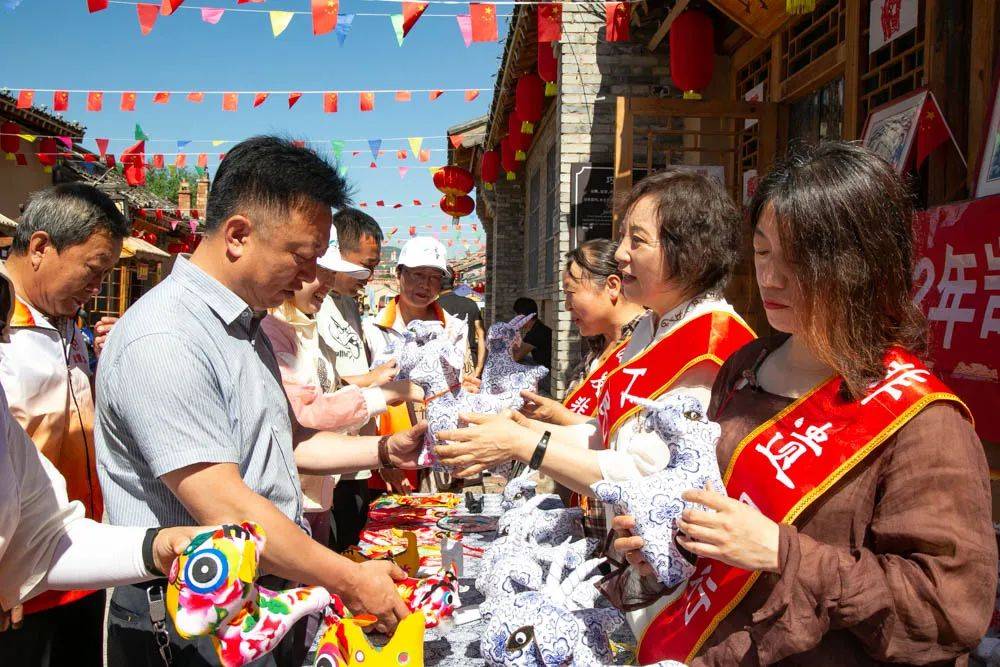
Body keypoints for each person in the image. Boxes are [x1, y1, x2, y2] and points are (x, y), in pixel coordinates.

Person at [611, 142, 996, 664]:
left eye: (797, 260)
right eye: (763, 251)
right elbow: (719, 522)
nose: (770, 278)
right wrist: (668, 543)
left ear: (861, 263)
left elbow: (949, 609)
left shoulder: (923, 422)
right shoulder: (745, 367)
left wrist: (781, 552)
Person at [95, 136, 427, 665]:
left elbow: (286, 445)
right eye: (301, 257)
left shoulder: (248, 327)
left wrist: (387, 452)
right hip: (191, 615)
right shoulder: (166, 338)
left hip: (262, 597)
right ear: (238, 235)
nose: (310, 277)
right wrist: (349, 579)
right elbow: (226, 506)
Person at [436, 170, 754, 552]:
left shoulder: (711, 343)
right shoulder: (651, 328)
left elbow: (646, 471)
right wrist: (525, 433)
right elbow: (610, 436)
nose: (620, 254)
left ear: (689, 252)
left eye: (636, 241)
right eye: (622, 238)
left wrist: (525, 445)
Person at [0, 183, 129, 667]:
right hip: (20, 576)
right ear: (39, 247)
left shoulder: (68, 322)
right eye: (94, 271)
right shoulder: (4, 328)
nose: (98, 287)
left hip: (78, 557)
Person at [261, 229, 423, 546]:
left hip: (317, 491)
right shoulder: (273, 330)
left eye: (332, 274)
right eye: (322, 273)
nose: (329, 284)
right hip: (287, 504)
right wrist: (392, 394)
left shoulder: (303, 325)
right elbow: (310, 414)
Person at [518, 239, 647, 536]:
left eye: (570, 293)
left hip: (622, 532)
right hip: (585, 521)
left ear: (612, 286)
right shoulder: (595, 350)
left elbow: (623, 444)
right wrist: (550, 414)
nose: (566, 306)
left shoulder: (647, 349)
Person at [317, 208, 410, 550]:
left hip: (355, 455)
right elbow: (324, 387)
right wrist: (379, 381)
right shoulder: (313, 305)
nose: (369, 275)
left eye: (372, 266)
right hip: (327, 459)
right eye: (365, 265)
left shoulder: (349, 304)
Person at [365, 236, 471, 492]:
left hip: (442, 455)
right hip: (388, 456)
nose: (426, 284)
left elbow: (462, 388)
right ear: (398, 274)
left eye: (435, 277)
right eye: (417, 274)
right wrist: (383, 459)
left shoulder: (455, 329)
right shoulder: (370, 329)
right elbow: (365, 397)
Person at [438, 267, 486, 378]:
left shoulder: (432, 308)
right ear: (454, 282)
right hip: (468, 365)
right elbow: (481, 335)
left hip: (441, 367)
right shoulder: (471, 304)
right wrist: (478, 369)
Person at [511, 297, 552, 392]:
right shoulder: (538, 328)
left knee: (517, 363)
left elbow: (516, 357)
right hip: (545, 369)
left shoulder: (536, 332)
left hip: (549, 378)